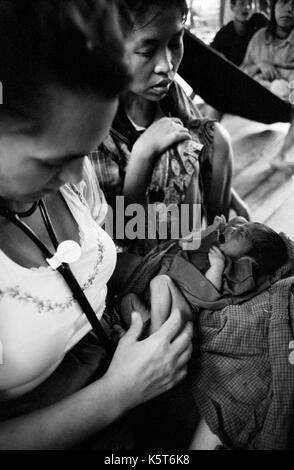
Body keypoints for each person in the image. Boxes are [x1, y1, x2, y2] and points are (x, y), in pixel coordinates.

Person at [0, 0, 194, 449]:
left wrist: (155, 288)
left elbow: (114, 250)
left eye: (83, 154)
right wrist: (117, 394)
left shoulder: (71, 173)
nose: (72, 179)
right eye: (53, 161)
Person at [90, 0, 250, 256]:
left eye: (175, 43)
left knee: (216, 136)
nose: (167, 65)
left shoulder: (170, 94)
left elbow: (205, 144)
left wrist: (229, 193)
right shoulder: (95, 126)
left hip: (184, 222)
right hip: (134, 244)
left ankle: (216, 244)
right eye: (146, 51)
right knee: (175, 153)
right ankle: (187, 262)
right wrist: (143, 154)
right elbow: (117, 232)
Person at [118, 215, 288, 333]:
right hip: (157, 310)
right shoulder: (218, 246)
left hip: (181, 308)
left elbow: (208, 296)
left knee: (160, 282)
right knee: (128, 301)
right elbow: (186, 243)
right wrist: (214, 229)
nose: (234, 228)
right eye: (238, 227)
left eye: (242, 232)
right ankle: (144, 334)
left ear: (250, 261)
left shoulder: (235, 272)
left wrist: (216, 268)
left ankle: (155, 338)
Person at [242, 0, 294, 99]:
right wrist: (259, 65)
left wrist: (279, 72)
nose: (289, 9)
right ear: (273, 8)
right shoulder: (259, 38)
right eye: (284, 2)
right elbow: (242, 73)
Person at [211, 0, 268, 67]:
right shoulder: (224, 33)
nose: (247, 7)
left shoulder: (259, 21)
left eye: (250, 3)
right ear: (232, 7)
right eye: (241, 3)